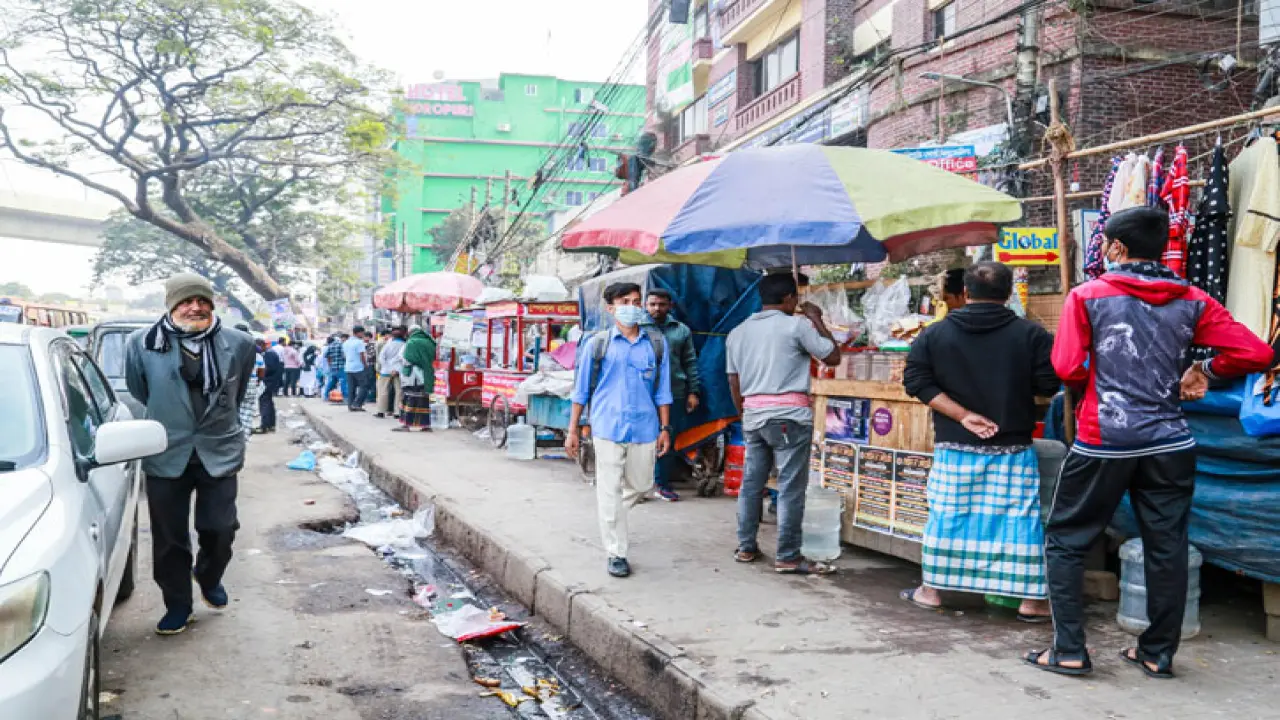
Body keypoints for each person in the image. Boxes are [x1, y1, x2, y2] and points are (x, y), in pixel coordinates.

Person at [1027, 207, 1275, 678]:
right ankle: (1156, 653)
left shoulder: (1088, 296)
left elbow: (1066, 368)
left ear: (1118, 248)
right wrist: (1205, 370)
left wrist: (1098, 375)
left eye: (1105, 244)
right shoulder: (1193, 300)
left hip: (1105, 441)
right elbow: (1256, 352)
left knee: (1065, 540)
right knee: (1167, 546)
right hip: (1170, 443)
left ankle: (1069, 650)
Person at [901, 262, 1060, 622]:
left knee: (948, 514)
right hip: (1013, 446)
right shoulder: (1031, 335)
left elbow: (916, 382)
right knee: (1019, 520)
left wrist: (961, 415)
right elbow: (1049, 385)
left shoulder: (933, 335)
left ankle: (932, 591)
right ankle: (1031, 603)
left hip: (954, 444)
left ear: (965, 293)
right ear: (1007, 295)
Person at [124, 273, 255, 635]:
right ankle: (178, 605)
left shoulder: (240, 343)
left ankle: (208, 574)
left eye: (202, 300)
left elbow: (240, 390)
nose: (194, 307)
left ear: (212, 304)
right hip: (166, 450)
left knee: (220, 528)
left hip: (219, 450)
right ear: (171, 305)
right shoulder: (141, 343)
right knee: (169, 538)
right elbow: (140, 389)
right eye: (185, 301)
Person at [727, 273, 841, 574]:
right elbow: (832, 357)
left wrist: (744, 412)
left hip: (753, 415)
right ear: (790, 298)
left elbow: (733, 380)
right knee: (790, 487)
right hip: (789, 417)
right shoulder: (797, 325)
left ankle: (746, 547)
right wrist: (816, 319)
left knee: (751, 485)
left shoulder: (737, 332)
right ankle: (788, 555)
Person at [566, 282, 672, 578]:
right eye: (625, 301)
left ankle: (610, 513)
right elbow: (580, 391)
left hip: (645, 427)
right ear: (610, 308)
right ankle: (616, 552)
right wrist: (572, 429)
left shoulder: (656, 344)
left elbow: (663, 392)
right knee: (609, 488)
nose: (632, 306)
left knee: (640, 485)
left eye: (636, 301)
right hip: (607, 426)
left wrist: (665, 428)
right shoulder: (597, 344)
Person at [643, 288, 701, 502]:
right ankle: (637, 484)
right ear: (646, 306)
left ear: (670, 306)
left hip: (674, 391)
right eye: (652, 304)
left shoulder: (681, 331)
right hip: (643, 393)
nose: (657, 308)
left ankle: (662, 483)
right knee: (640, 438)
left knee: (667, 438)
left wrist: (693, 391)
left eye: (661, 304)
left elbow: (690, 362)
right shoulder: (637, 328)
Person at [397, 324, 437, 432]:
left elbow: (405, 359)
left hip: (413, 376)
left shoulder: (411, 343)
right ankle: (425, 425)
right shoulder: (430, 342)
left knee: (409, 398)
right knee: (424, 400)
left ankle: (407, 424)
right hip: (426, 374)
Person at [376, 327, 407, 418]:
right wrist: (396, 369)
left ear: (392, 336)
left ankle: (381, 412)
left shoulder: (388, 344)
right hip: (399, 371)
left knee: (383, 391)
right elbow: (404, 358)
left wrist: (388, 368)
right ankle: (397, 412)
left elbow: (381, 357)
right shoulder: (405, 345)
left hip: (386, 371)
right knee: (399, 391)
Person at [256, 336, 283, 432]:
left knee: (264, 403)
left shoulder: (269, 355)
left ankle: (265, 425)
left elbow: (268, 368)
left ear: (262, 345)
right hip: (270, 381)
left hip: (268, 382)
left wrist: (259, 375)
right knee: (268, 403)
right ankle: (270, 425)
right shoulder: (269, 354)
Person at [342, 326, 369, 411]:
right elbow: (362, 355)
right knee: (364, 386)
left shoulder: (346, 343)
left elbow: (345, 355)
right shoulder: (359, 342)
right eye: (362, 333)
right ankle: (357, 404)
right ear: (358, 333)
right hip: (358, 367)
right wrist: (365, 365)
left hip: (348, 367)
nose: (363, 334)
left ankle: (351, 405)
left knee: (351, 387)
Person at [324, 334, 348, 402]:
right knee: (344, 382)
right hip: (341, 366)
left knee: (332, 382)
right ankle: (346, 397)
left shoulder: (330, 345)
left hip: (333, 367)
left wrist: (330, 365)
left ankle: (326, 396)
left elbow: (326, 356)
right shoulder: (341, 345)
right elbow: (344, 356)